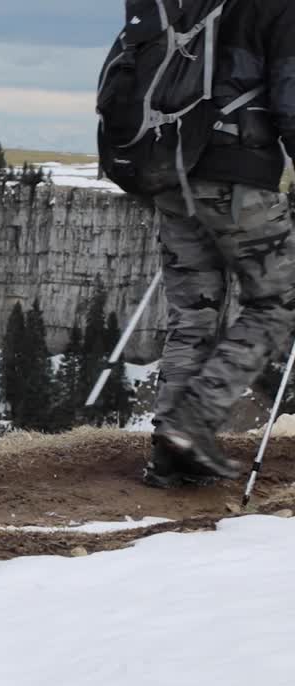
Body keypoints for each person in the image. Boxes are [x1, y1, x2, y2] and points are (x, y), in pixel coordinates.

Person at [144, 1, 295, 488]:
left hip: (170, 170)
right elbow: (291, 101)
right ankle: (193, 422)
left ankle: (171, 455)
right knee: (278, 300)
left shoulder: (186, 4)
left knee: (194, 313)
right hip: (236, 176)